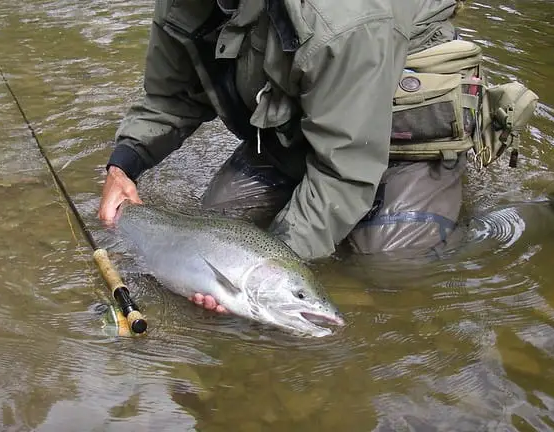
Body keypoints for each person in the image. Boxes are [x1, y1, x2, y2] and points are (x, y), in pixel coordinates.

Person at [99, 0, 469, 313]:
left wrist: (264, 272)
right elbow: (170, 98)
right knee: (216, 221)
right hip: (301, 120)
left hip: (399, 131)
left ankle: (453, 207)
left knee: (387, 264)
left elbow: (343, 171)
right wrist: (123, 167)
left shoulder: (343, 17)